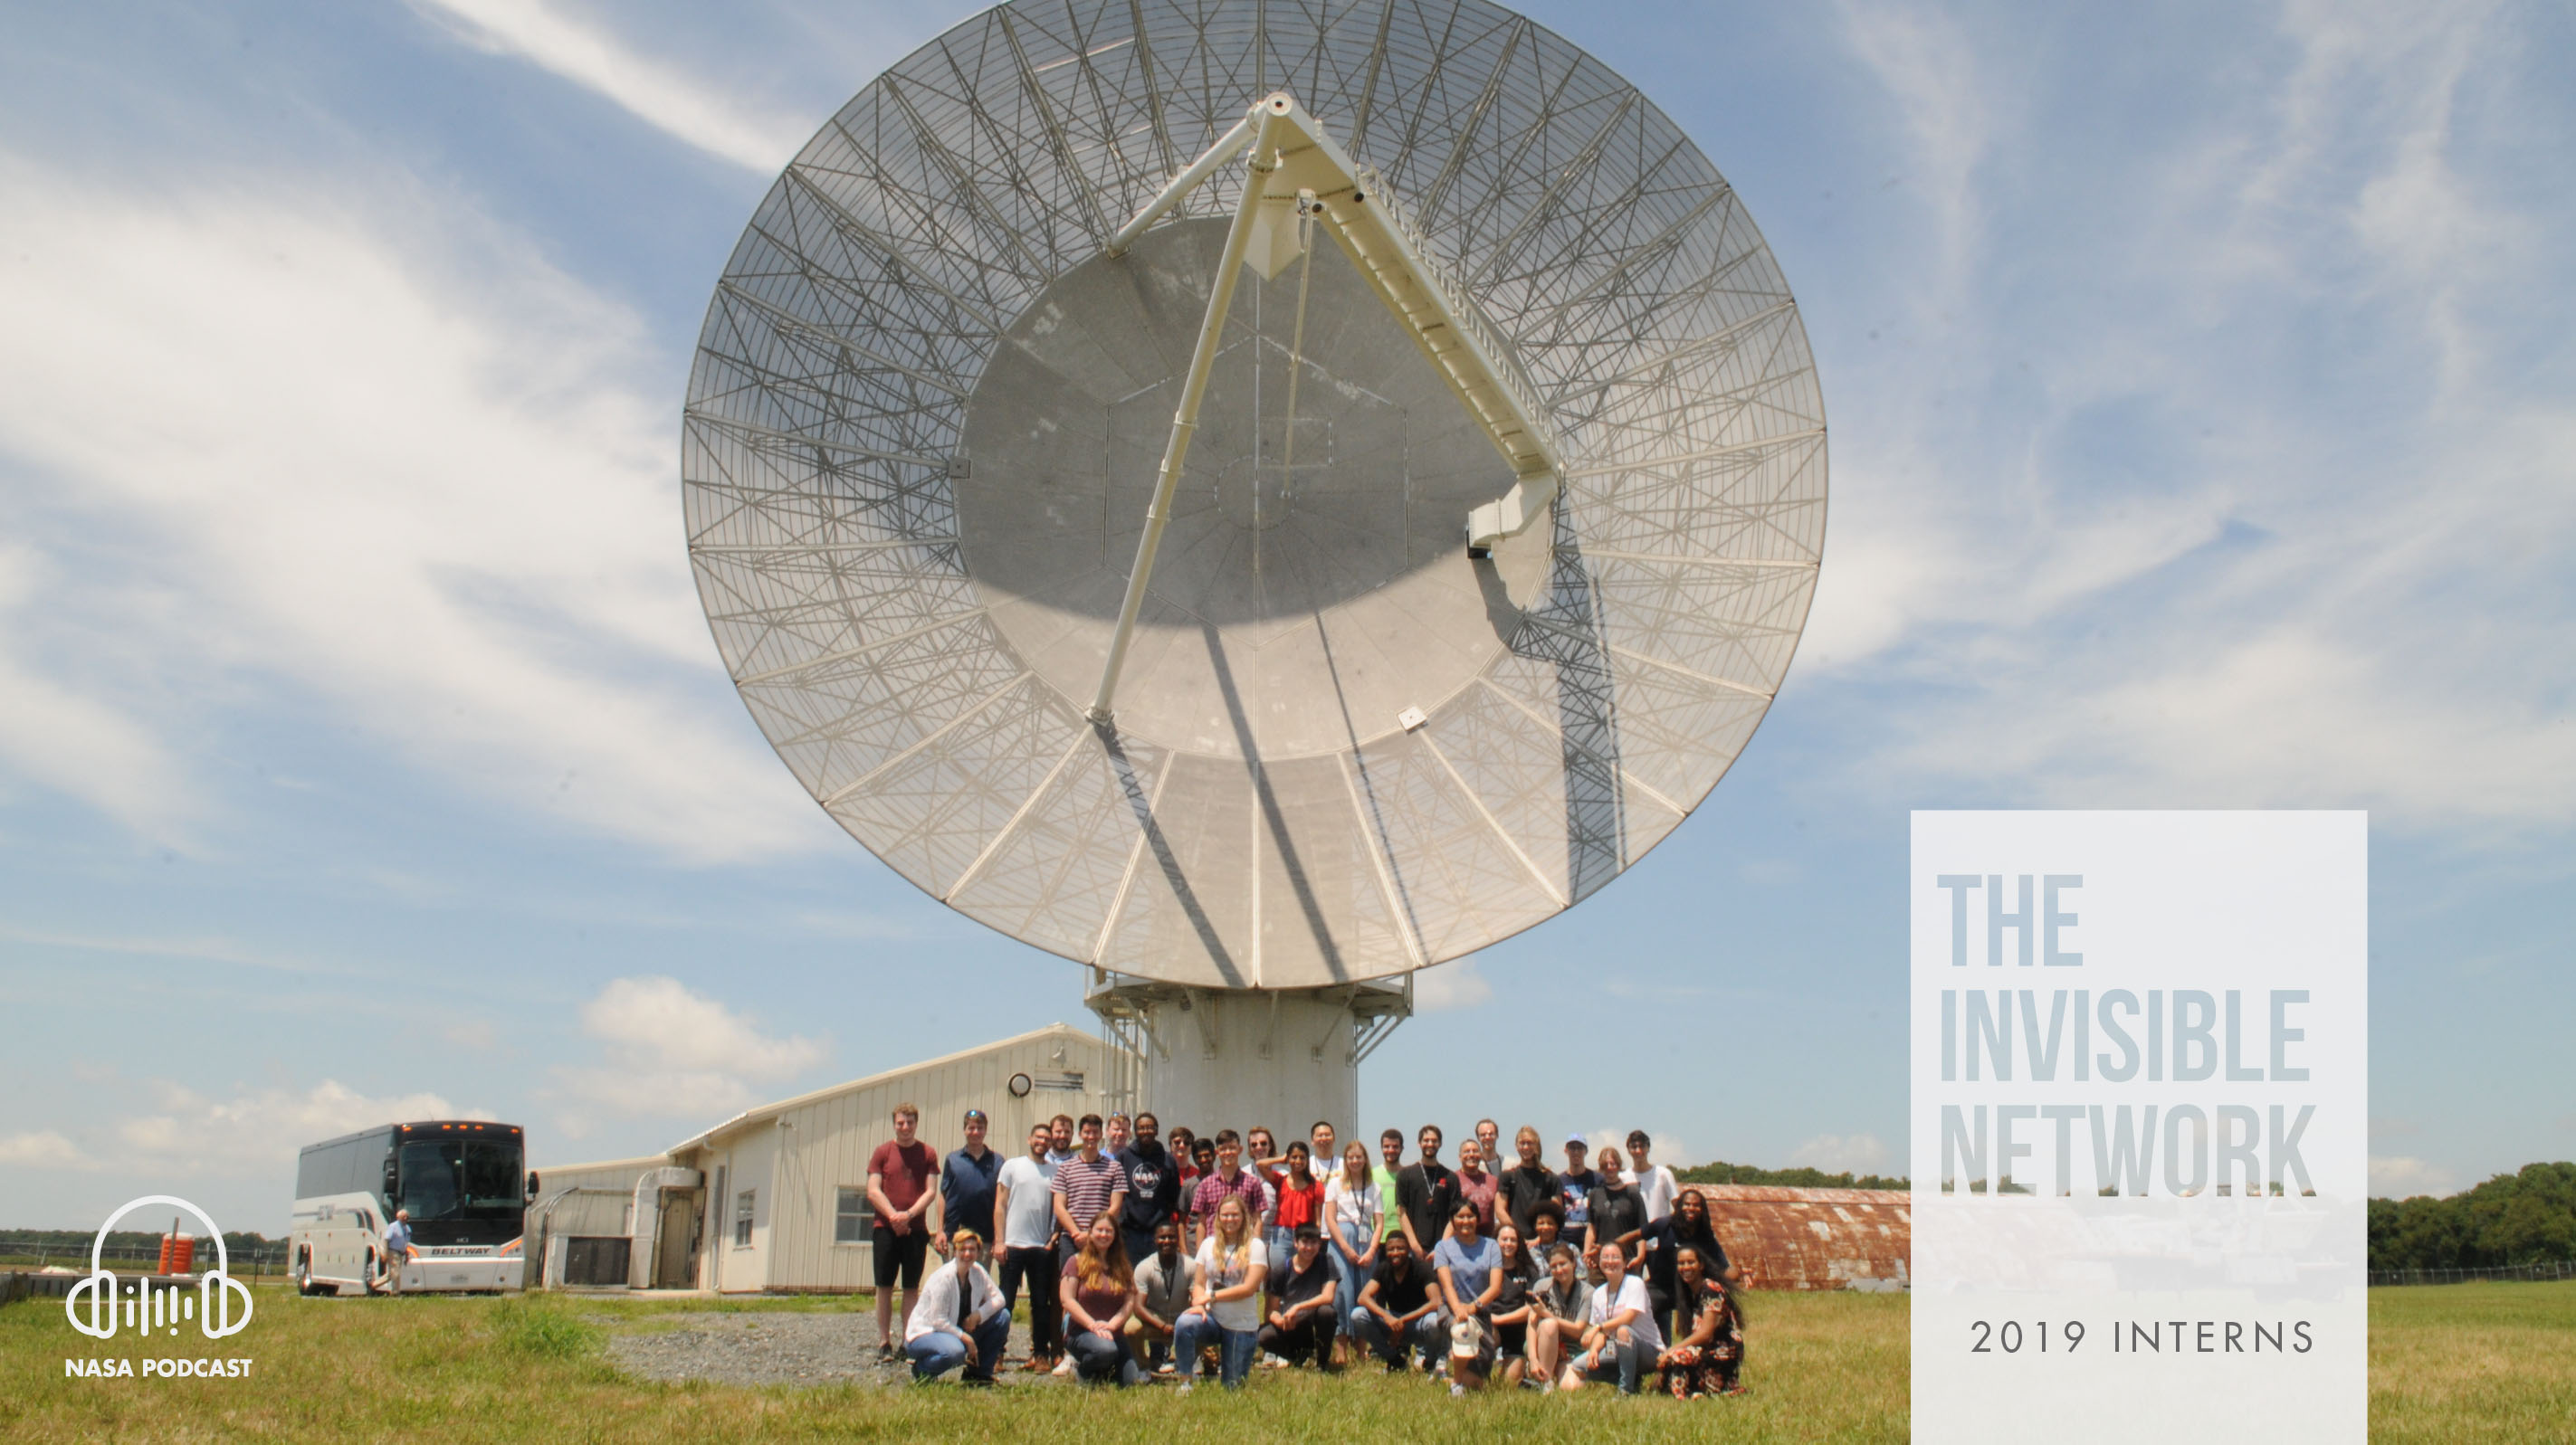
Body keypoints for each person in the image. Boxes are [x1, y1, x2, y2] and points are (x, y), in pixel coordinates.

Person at [1047, 1114, 1128, 1374]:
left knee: (1105, 1291)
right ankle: (1070, 1353)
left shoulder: (1113, 1167)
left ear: (1101, 1135)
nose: (1091, 1138)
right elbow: (1059, 1205)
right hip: (1074, 1240)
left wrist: (1097, 1234)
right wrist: (1076, 1232)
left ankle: (1106, 1337)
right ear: (1080, 1135)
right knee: (1070, 1295)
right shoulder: (1067, 1167)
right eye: (1087, 1133)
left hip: (1104, 1239)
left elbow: (1115, 1205)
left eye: (1096, 1133)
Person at [1172, 1194, 1267, 1391]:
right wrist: (1199, 1305)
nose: (1229, 1219)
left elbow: (1249, 1288)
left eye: (1235, 1215)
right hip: (1212, 1320)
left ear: (1244, 1217)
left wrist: (1212, 1296)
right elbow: (1199, 1282)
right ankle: (1185, 1382)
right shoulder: (1208, 1244)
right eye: (1225, 1215)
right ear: (1218, 1217)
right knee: (1184, 1323)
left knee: (1232, 1388)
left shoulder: (1255, 1246)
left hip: (1240, 1325)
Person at [868, 1103, 941, 1356]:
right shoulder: (883, 1152)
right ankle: (883, 1341)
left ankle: (907, 1341)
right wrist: (893, 1215)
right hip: (885, 1230)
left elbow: (931, 1191)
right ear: (894, 1124)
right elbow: (873, 1189)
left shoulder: (928, 1153)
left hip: (916, 1230)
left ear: (916, 1124)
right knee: (884, 1286)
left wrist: (908, 1215)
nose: (905, 1127)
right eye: (901, 1123)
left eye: (910, 1122)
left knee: (910, 1288)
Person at [991, 1121, 1062, 1373]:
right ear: (1029, 1140)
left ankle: (1041, 1354)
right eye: (1038, 1137)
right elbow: (1000, 1205)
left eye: (1047, 1139)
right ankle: (996, 1352)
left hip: (1040, 1248)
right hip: (1012, 1245)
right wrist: (999, 1241)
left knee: (1040, 1303)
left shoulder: (1055, 1172)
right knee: (1005, 1302)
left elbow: (1059, 1209)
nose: (1042, 1141)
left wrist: (1052, 1238)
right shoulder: (1012, 1166)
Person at [903, 1228, 1008, 1384]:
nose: (967, 1254)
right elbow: (938, 1321)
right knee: (955, 1352)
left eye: (972, 1249)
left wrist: (978, 1315)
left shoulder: (977, 1272)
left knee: (1003, 1317)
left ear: (978, 1252)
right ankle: (923, 1370)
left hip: (954, 1332)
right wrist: (967, 1340)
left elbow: (1000, 1299)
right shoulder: (944, 1278)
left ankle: (978, 1375)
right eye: (963, 1249)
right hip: (925, 1334)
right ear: (955, 1252)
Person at [1564, 1228, 1662, 1394]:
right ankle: (1631, 1379)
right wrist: (1594, 1349)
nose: (1610, 1261)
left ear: (1625, 1263)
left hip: (1648, 1351)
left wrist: (1597, 1328)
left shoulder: (1634, 1283)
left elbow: (1628, 1318)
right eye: (1605, 1257)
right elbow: (1603, 1333)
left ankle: (1625, 1390)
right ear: (1599, 1262)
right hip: (1617, 1349)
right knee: (1579, 1365)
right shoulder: (1599, 1293)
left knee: (1624, 1331)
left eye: (1616, 1257)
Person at [1645, 1185, 1741, 1350]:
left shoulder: (1705, 1235)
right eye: (1687, 1204)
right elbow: (1636, 1235)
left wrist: (1733, 1276)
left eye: (1696, 1205)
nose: (1691, 1208)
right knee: (1643, 1307)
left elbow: (1725, 1267)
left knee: (1694, 1326)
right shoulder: (1665, 1225)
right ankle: (1649, 1352)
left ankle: (1689, 1351)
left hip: (1688, 1289)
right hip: (1660, 1287)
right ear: (1679, 1205)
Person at [1060, 1213, 1146, 1385]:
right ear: (1090, 1232)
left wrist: (1113, 1324)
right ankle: (1082, 1371)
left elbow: (1129, 1302)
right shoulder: (1075, 1262)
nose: (1104, 1235)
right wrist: (1093, 1325)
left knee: (1131, 1380)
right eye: (1100, 1230)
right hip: (1081, 1331)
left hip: (1114, 1332)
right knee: (1106, 1350)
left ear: (1115, 1235)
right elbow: (1067, 1300)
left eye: (1109, 1231)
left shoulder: (1123, 1265)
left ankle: (1102, 1372)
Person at [1431, 1201, 1503, 1393]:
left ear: (1477, 1219)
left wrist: (1473, 1307)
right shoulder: (1443, 1247)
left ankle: (1445, 1375)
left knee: (1477, 1383)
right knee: (1464, 1329)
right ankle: (1455, 1385)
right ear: (1452, 1221)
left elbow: (1496, 1287)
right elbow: (1446, 1285)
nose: (1465, 1221)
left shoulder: (1491, 1246)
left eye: (1470, 1216)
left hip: (1480, 1311)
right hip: (1451, 1309)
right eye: (1460, 1217)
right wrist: (1459, 1310)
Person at [1656, 1245, 1747, 1399]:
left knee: (1676, 1357)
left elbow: (1705, 1334)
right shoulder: (1689, 1293)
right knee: (1669, 1364)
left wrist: (1670, 1351)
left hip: (1722, 1350)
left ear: (1701, 1265)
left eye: (1691, 1262)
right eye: (1681, 1263)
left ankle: (1683, 1397)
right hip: (1704, 1351)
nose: (1686, 1267)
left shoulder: (1711, 1289)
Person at [1352, 1230, 1444, 1372]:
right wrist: (1387, 1316)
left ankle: (1431, 1362)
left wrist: (1404, 1320)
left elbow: (1436, 1302)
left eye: (1400, 1248)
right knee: (1358, 1315)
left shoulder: (1421, 1268)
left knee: (1434, 1322)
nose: (1395, 1253)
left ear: (1408, 1250)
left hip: (1419, 1321)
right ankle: (1395, 1360)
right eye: (1391, 1249)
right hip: (1393, 1320)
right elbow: (1362, 1297)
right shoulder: (1383, 1268)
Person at [1255, 1224, 1338, 1368]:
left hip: (1314, 1321)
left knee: (1327, 1312)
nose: (1309, 1248)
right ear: (1295, 1243)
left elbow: (1328, 1297)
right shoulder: (1282, 1269)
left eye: (1314, 1243)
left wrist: (1298, 1306)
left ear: (1320, 1244)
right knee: (1264, 1335)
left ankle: (1322, 1362)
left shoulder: (1325, 1261)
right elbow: (1271, 1310)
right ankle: (1298, 1359)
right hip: (1293, 1324)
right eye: (1305, 1242)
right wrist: (1282, 1322)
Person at [1323, 1141, 1380, 1343]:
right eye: (1351, 1157)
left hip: (1366, 1242)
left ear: (1365, 1159)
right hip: (1341, 1240)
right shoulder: (1335, 1184)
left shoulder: (1374, 1186)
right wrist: (1346, 1249)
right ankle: (1341, 1342)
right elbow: (1330, 1219)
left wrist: (1372, 1250)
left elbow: (1379, 1222)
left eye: (1359, 1157)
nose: (1355, 1161)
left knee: (1364, 1290)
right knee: (1342, 1291)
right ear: (1345, 1160)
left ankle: (1363, 1344)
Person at [1126, 1217, 1196, 1374]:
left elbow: (1196, 1300)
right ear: (1155, 1240)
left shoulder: (1191, 1266)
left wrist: (1183, 1323)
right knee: (1131, 1329)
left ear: (1178, 1240)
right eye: (1162, 1237)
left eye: (1171, 1237)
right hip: (1155, 1320)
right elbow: (1138, 1307)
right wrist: (1162, 1326)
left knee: (1205, 1324)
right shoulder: (1144, 1267)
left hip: (1182, 1318)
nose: (1167, 1241)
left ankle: (1187, 1364)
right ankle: (1143, 1367)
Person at [1115, 1110, 1181, 1268]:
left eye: (1150, 1127)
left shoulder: (1168, 1159)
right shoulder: (1123, 1157)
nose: (1146, 1131)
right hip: (1130, 1232)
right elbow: (1117, 1192)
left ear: (1157, 1130)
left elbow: (1173, 1195)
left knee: (1157, 1276)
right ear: (1135, 1132)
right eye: (1141, 1128)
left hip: (1158, 1231)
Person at [1188, 1129, 1267, 1251]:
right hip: (1214, 1248)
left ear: (1240, 1150)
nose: (1228, 1152)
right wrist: (1200, 1254)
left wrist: (1256, 1249)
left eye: (1232, 1148)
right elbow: (1201, 1224)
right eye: (1223, 1149)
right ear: (1217, 1152)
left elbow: (1257, 1221)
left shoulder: (1253, 1183)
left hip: (1243, 1248)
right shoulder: (1205, 1185)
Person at [938, 1108, 1002, 1259]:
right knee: (954, 1280)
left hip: (985, 1236)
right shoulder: (953, 1159)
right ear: (964, 1130)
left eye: (980, 1128)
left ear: (985, 1130)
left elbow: (1002, 1201)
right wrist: (940, 1231)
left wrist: (998, 1238)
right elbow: (943, 1196)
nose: (975, 1132)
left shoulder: (998, 1161)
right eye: (971, 1128)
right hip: (954, 1235)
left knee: (978, 1280)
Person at [1527, 1243, 1589, 1392]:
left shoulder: (1587, 1292)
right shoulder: (1541, 1286)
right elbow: (1532, 1325)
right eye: (1554, 1266)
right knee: (1549, 1325)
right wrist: (1533, 1359)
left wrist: (1546, 1313)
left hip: (1570, 1350)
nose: (1559, 1270)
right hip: (1542, 1344)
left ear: (1573, 1263)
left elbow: (1577, 1330)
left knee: (1571, 1388)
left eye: (1563, 1264)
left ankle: (1553, 1373)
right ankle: (1545, 1382)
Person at [1484, 1223, 1538, 1388]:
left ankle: (1522, 1371)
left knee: (1508, 1384)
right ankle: (1478, 1371)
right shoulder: (1486, 1268)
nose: (1508, 1244)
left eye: (1513, 1240)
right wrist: (1494, 1321)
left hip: (1517, 1329)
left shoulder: (1528, 1270)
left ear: (1519, 1243)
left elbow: (1532, 1307)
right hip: (1491, 1327)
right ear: (1495, 1242)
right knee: (1486, 1336)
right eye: (1504, 1239)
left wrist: (1501, 1319)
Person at [1396, 1125, 1459, 1255]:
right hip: (1413, 1249)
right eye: (1426, 1140)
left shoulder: (1451, 1177)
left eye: (1434, 1141)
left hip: (1443, 1249)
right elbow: (1401, 1212)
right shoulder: (1405, 1174)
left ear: (1440, 1144)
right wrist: (1414, 1245)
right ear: (1419, 1143)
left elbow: (1455, 1216)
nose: (1430, 1144)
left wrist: (1441, 1247)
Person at [1586, 1144, 1647, 1276]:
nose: (1609, 1168)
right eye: (1605, 1165)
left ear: (1618, 1165)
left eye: (1613, 1164)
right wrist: (1587, 1252)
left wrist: (1641, 1256)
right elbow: (1591, 1228)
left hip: (1627, 1261)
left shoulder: (1632, 1193)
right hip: (1601, 1261)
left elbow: (1642, 1229)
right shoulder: (1595, 1194)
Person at [1500, 1127, 1560, 1239]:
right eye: (1522, 1143)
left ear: (1536, 1145)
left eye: (1530, 1143)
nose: (1526, 1147)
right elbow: (1500, 1210)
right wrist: (1516, 1236)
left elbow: (1557, 1212)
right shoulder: (1507, 1176)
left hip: (1544, 1242)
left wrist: (1539, 1239)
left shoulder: (1551, 1178)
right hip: (1516, 1241)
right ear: (1516, 1146)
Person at [1628, 1130, 1678, 1231]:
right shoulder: (1623, 1177)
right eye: (1634, 1147)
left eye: (1642, 1146)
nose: (1638, 1151)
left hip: (1660, 1241)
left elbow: (1678, 1207)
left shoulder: (1664, 1174)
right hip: (1632, 1242)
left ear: (1648, 1148)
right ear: (1629, 1150)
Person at [1557, 1136, 1598, 1253]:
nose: (1576, 1152)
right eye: (1572, 1148)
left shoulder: (1597, 1179)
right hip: (1565, 1241)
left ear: (1586, 1151)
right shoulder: (1558, 1180)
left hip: (1591, 1240)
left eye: (1579, 1148)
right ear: (1566, 1151)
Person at [1455, 1139, 1499, 1237]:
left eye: (1475, 1151)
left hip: (1487, 1240)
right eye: (1467, 1151)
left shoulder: (1493, 1181)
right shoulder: (1453, 1179)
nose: (1471, 1155)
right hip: (1461, 1240)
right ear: (1459, 1157)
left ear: (1481, 1155)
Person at [1372, 1129, 1406, 1244]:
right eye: (1386, 1146)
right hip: (1377, 1237)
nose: (1391, 1150)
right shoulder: (1372, 1175)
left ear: (1402, 1148)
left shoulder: (1408, 1175)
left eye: (1395, 1147)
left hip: (1402, 1237)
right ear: (1381, 1148)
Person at [380, 1208, 412, 1294]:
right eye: (404, 1216)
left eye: (407, 1216)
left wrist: (406, 1255)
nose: (406, 1218)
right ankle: (395, 1293)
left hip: (401, 1253)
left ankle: (373, 1285)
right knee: (396, 1273)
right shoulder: (393, 1226)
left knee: (392, 1274)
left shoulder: (407, 1229)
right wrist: (385, 1254)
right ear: (399, 1217)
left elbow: (406, 1242)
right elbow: (386, 1240)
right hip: (393, 1252)